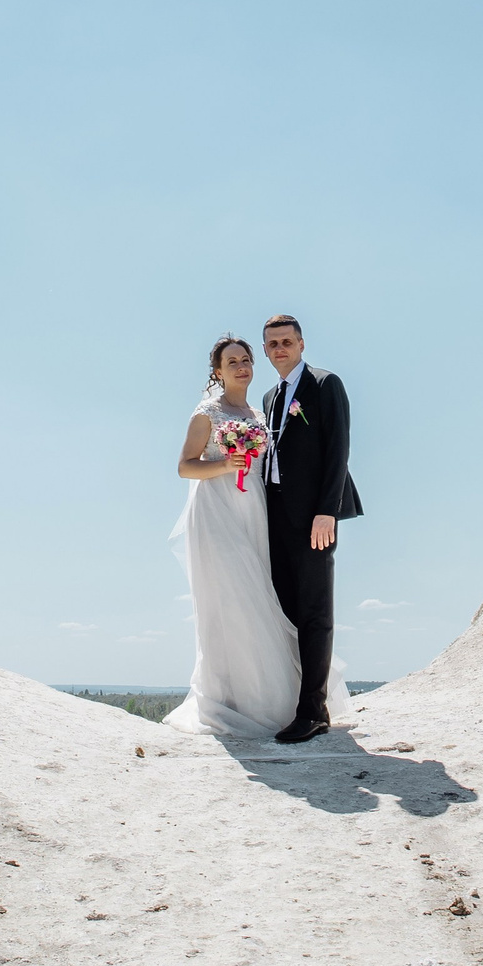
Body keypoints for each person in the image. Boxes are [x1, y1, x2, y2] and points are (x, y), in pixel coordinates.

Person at [162, 329, 359, 741]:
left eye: (245, 360)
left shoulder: (271, 404)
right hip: (220, 514)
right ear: (217, 372)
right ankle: (237, 700)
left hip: (262, 514)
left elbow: (335, 448)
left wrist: (327, 509)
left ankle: (298, 705)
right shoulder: (216, 410)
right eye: (232, 362)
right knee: (234, 601)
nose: (242, 367)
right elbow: (185, 466)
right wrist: (225, 465)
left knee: (270, 604)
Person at [257, 313, 362, 743]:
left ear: (301, 344)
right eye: (273, 344)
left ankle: (314, 711)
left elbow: (338, 448)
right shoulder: (269, 397)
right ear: (266, 351)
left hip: (314, 518)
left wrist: (326, 511)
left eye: (287, 341)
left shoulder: (324, 383)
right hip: (275, 515)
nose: (280, 349)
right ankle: (297, 699)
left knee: (315, 611)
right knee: (287, 609)